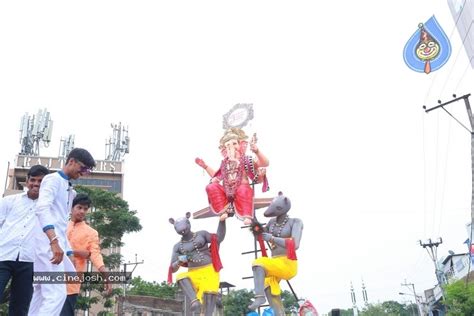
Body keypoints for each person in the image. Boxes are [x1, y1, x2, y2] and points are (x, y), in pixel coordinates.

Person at [29, 148, 96, 316]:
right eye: (83, 168)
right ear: (71, 161)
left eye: (87, 170)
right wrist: (54, 242)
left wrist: (67, 252)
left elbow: (60, 223)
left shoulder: (69, 189)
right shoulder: (52, 180)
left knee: (40, 291)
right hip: (48, 245)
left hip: (55, 244)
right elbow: (42, 209)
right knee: (57, 293)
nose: (84, 173)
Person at [0, 165, 49, 316]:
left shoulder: (48, 207)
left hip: (30, 260)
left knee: (20, 307)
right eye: (32, 180)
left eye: (40, 181)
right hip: (4, 256)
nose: (36, 184)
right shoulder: (9, 201)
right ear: (27, 181)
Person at [195, 128, 269, 225]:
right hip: (226, 193)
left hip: (242, 191)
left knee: (243, 189)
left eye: (234, 144)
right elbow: (217, 176)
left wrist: (257, 151)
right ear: (224, 150)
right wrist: (205, 167)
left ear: (241, 145)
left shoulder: (246, 159)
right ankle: (223, 211)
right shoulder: (225, 164)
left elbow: (264, 163)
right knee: (211, 186)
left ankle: (246, 215)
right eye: (228, 146)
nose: (232, 147)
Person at [248, 192, 303, 315]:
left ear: (283, 208)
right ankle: (279, 313)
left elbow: (295, 244)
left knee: (258, 263)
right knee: (268, 285)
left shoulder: (295, 222)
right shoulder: (272, 222)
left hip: (288, 263)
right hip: (274, 263)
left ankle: (259, 297)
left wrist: (272, 239)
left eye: (277, 208)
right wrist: (253, 220)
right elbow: (261, 236)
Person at [60, 193, 111, 316]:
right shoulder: (60, 225)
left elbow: (95, 254)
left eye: (85, 209)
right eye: (79, 207)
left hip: (71, 284)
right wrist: (80, 253)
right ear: (71, 208)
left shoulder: (91, 232)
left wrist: (105, 274)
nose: (82, 211)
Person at [168, 212, 226, 316]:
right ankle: (194, 301)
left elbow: (218, 239)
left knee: (209, 296)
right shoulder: (177, 247)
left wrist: (222, 221)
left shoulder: (202, 234)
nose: (183, 230)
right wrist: (180, 261)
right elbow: (172, 268)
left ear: (189, 224)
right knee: (181, 276)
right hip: (193, 273)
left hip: (209, 271)